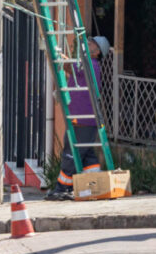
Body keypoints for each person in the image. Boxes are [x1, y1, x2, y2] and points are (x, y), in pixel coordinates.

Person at [45, 36, 109, 201]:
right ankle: (94, 186)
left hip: (83, 120)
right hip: (82, 119)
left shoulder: (89, 64)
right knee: (87, 156)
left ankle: (63, 188)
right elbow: (70, 68)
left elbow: (68, 66)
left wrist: (56, 54)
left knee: (71, 154)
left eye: (92, 43)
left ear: (97, 52)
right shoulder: (87, 65)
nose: (88, 43)